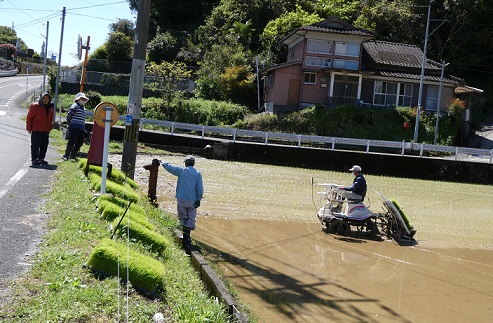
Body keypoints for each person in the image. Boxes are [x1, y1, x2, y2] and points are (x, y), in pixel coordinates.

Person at [157, 155, 204, 245]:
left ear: (185, 163)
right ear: (193, 164)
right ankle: (187, 237)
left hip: (182, 198)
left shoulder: (181, 171)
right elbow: (200, 188)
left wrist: (162, 161)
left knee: (182, 217)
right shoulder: (198, 173)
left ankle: (184, 236)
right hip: (193, 200)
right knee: (191, 218)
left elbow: (170, 168)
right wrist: (198, 199)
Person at [26, 91, 54, 166]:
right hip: (36, 129)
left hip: (46, 130)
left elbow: (51, 118)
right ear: (41, 99)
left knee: (44, 145)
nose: (46, 100)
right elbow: (29, 118)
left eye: (47, 98)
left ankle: (41, 159)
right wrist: (29, 127)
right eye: (44, 98)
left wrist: (50, 127)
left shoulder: (50, 107)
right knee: (35, 145)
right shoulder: (35, 106)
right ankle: (34, 159)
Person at [63, 92, 88, 160]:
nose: (83, 100)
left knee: (80, 142)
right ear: (78, 99)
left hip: (81, 128)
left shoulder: (84, 109)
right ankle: (66, 155)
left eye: (84, 99)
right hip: (74, 126)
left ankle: (72, 155)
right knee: (72, 140)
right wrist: (69, 123)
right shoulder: (75, 106)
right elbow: (69, 115)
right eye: (82, 98)